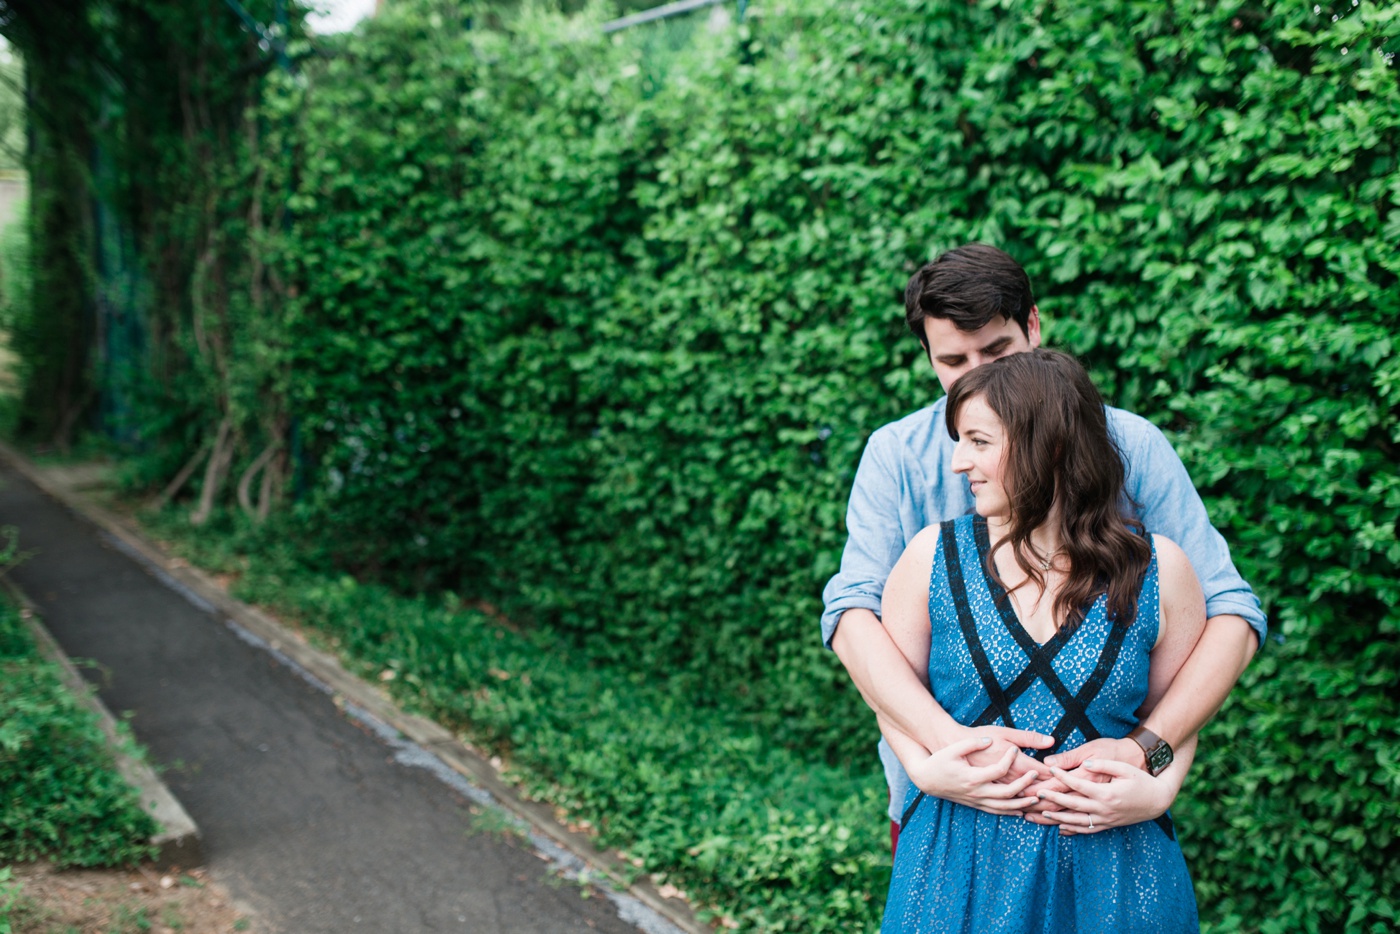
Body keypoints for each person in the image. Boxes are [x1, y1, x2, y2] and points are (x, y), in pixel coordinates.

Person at [821, 244, 1265, 849]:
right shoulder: (898, 454)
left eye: (996, 349)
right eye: (953, 360)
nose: (976, 373)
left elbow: (1229, 614)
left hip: (1100, 814)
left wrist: (1150, 759)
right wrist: (945, 748)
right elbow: (854, 616)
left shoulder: (1129, 444)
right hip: (943, 803)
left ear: (1033, 324)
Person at [879, 349, 1203, 931]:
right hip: (957, 860)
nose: (959, 463)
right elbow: (893, 702)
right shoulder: (930, 557)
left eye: (978, 442)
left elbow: (1177, 720)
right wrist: (923, 773)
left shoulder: (1161, 569)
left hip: (1119, 868)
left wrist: (1160, 791)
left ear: (1049, 445)